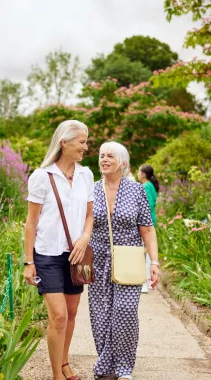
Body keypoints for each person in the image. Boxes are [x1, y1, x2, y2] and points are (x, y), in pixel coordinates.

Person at [23, 120, 94, 380]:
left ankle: (64, 362)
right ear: (64, 143)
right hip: (47, 255)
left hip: (75, 256)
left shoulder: (86, 175)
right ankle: (56, 375)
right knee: (59, 316)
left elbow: (89, 216)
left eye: (86, 141)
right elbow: (31, 222)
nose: (86, 147)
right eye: (82, 142)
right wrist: (28, 261)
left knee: (73, 312)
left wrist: (85, 238)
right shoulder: (42, 176)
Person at [88, 142, 160, 380]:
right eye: (101, 156)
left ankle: (124, 367)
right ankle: (107, 365)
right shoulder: (91, 190)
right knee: (100, 313)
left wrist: (155, 262)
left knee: (125, 311)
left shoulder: (137, 191)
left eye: (110, 156)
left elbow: (148, 230)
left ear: (123, 162)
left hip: (128, 257)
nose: (104, 159)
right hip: (97, 259)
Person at [137, 164, 159, 293]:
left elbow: (148, 205)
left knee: (144, 253)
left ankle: (145, 282)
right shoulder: (150, 186)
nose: (137, 174)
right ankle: (150, 281)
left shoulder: (145, 186)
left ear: (143, 174)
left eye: (139, 172)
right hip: (151, 220)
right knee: (149, 253)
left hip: (145, 223)